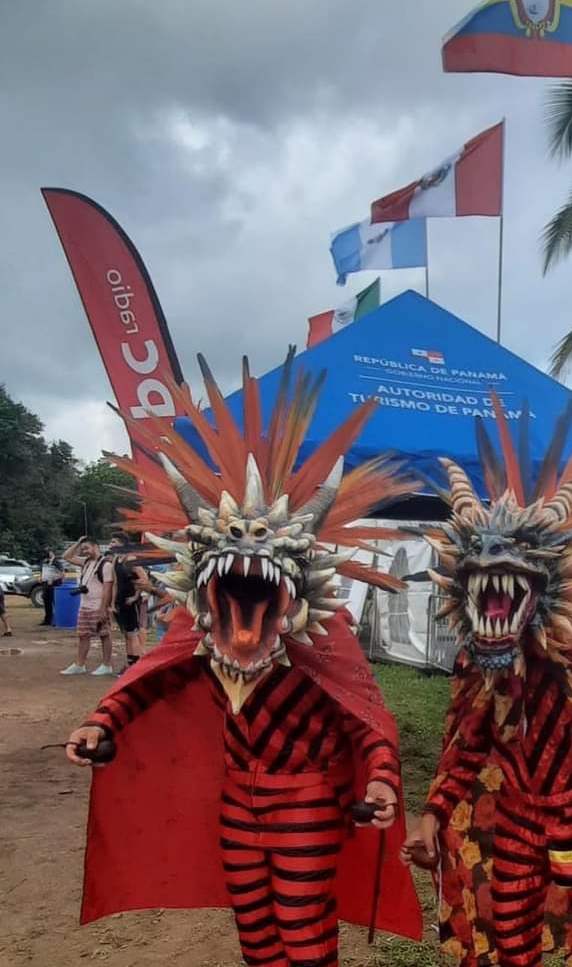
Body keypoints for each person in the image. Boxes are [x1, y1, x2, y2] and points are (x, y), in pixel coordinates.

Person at [63, 354, 422, 966]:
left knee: (305, 936)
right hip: (237, 802)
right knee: (256, 936)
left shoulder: (321, 636)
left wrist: (384, 779)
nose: (247, 550)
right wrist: (103, 721)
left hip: (305, 800)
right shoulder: (203, 635)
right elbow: (152, 681)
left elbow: (365, 722)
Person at [402, 399, 572, 967]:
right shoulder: (476, 664)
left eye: (518, 552)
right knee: (510, 941)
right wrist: (432, 816)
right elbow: (464, 749)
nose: (496, 556)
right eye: (484, 551)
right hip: (514, 824)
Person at [59, 537, 114, 676]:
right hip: (85, 605)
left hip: (98, 605)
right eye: (83, 549)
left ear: (95, 546)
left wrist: (104, 608)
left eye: (87, 548)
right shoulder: (86, 562)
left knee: (104, 635)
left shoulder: (105, 565)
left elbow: (107, 588)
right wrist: (78, 543)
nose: (85, 551)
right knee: (83, 635)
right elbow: (66, 556)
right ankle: (79, 664)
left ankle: (107, 665)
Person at [106, 532, 149, 673]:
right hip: (120, 601)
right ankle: (130, 663)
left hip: (131, 602)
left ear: (122, 543)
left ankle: (136, 666)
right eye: (111, 542)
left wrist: (135, 596)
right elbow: (115, 584)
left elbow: (144, 580)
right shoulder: (115, 560)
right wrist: (112, 603)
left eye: (114, 542)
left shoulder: (131, 559)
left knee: (132, 634)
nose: (111, 544)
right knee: (127, 634)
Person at [40, 549, 62, 626]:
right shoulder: (45, 562)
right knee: (47, 603)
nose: (47, 554)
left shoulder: (57, 562)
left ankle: (56, 620)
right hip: (46, 585)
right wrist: (41, 577)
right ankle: (47, 620)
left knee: (55, 603)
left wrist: (53, 579)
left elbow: (62, 574)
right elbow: (42, 572)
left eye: (48, 552)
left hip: (54, 585)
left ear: (52, 553)